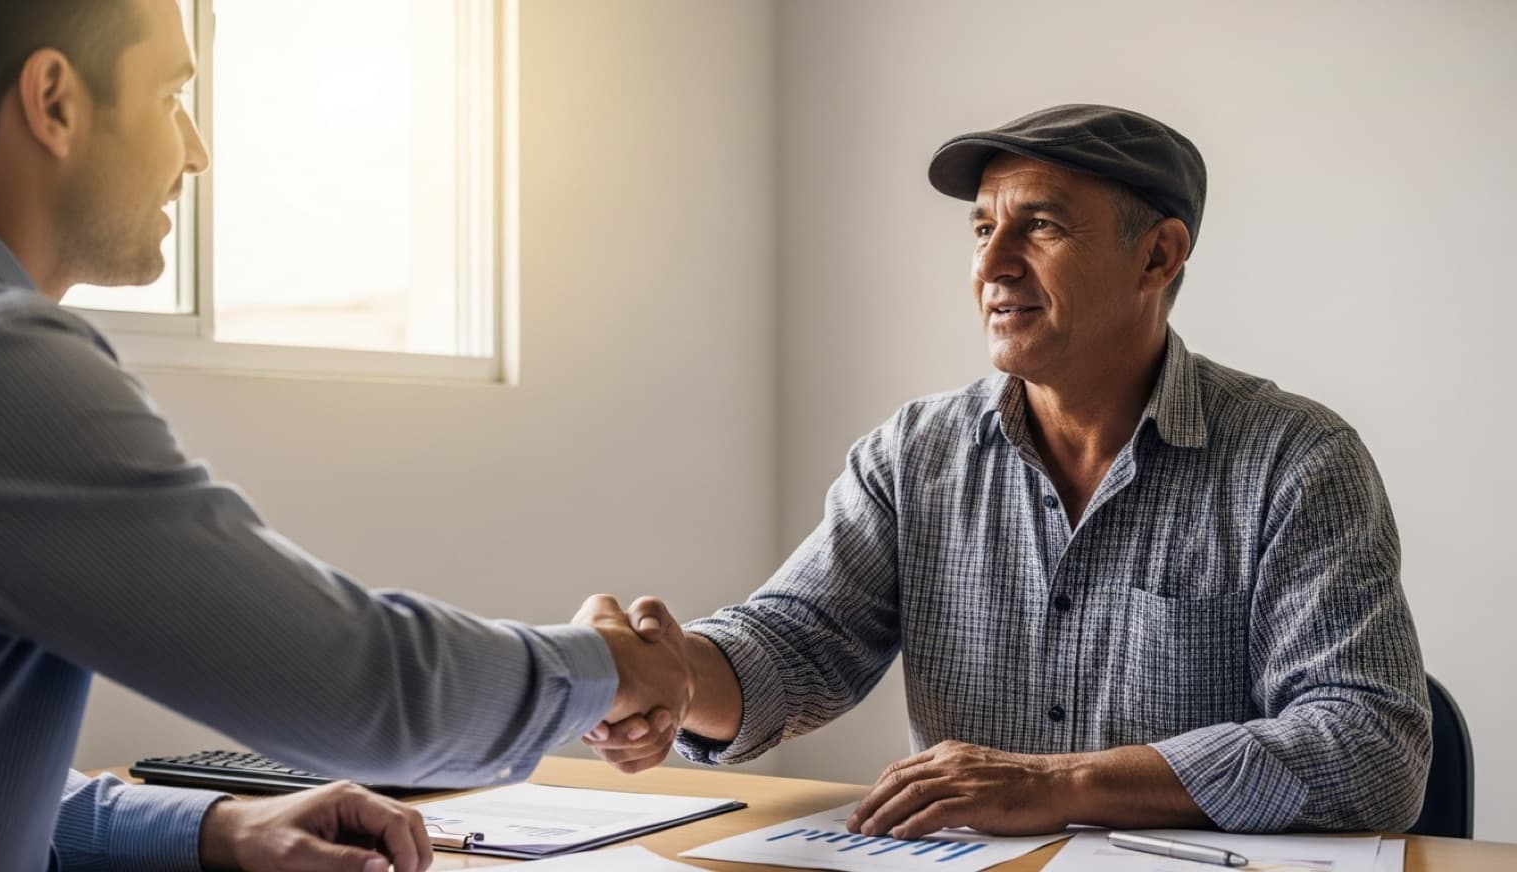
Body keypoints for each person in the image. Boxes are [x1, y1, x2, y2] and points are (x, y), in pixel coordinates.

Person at [0, 1, 690, 869]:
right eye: (172, 93)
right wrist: (611, 667)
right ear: (54, 100)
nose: (196, 151)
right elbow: (359, 688)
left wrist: (217, 828)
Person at [584, 104, 1431, 837]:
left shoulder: (1297, 460)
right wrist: (673, 675)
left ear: (1157, 257)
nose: (991, 267)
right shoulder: (914, 453)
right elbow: (798, 646)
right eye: (985, 228)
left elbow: (1371, 746)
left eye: (1043, 226)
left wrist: (1057, 785)